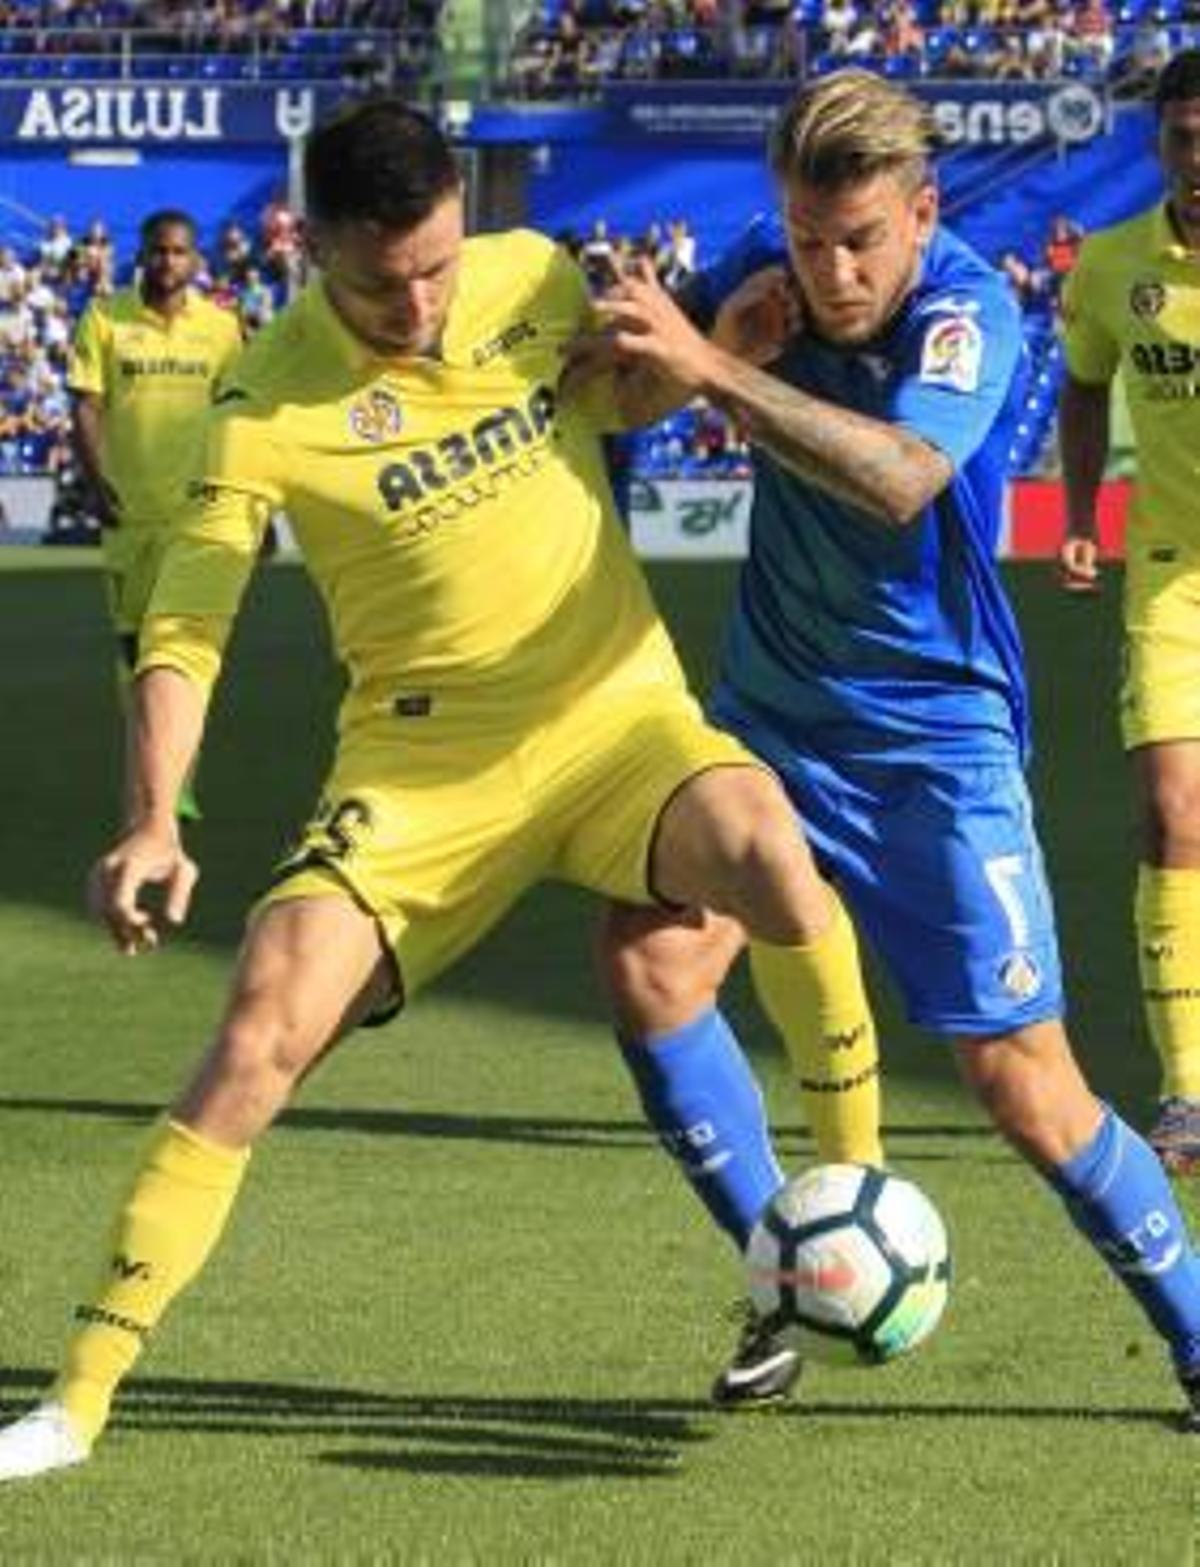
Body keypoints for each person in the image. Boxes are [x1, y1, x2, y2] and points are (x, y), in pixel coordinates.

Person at [0, 97, 880, 1483]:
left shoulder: (529, 273)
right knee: (259, 1027)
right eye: (380, 279)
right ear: (310, 247)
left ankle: (844, 1206)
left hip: (615, 719)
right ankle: (77, 1399)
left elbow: (606, 398)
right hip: (421, 774)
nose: (417, 299)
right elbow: (188, 623)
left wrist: (707, 361)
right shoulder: (264, 402)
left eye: (434, 262)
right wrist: (155, 813)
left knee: (771, 849)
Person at [569, 68, 1200, 1424]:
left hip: (934, 740)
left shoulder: (974, 306)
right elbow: (617, 389)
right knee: (649, 955)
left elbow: (905, 475)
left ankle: (1199, 1337)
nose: (833, 268)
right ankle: (788, 1270)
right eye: (807, 236)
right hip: (769, 718)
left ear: (921, 212)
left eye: (861, 238)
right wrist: (642, 341)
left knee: (1025, 1085)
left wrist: (718, 363)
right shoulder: (763, 270)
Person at [1059, 49, 1200, 1175]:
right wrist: (1076, 512)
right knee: (1171, 814)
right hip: (1171, 574)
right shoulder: (1113, 265)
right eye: (1182, 136)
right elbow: (1081, 383)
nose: (1198, 156)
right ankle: (1190, 1091)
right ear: (1159, 144)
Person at [69, 209, 242, 821]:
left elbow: (238, 420)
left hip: (197, 518)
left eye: (180, 253)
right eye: (159, 251)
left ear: (197, 261)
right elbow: (86, 406)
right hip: (130, 519)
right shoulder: (104, 318)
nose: (169, 262)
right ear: (141, 254)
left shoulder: (222, 330)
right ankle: (155, 770)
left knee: (187, 651)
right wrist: (97, 483)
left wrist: (251, 503)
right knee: (137, 655)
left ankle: (179, 781)